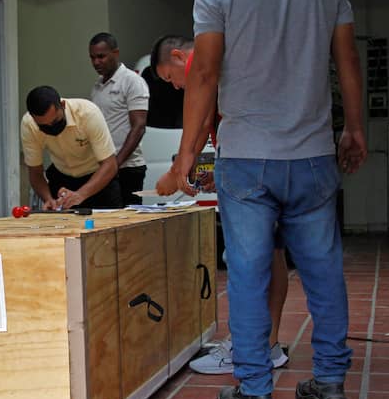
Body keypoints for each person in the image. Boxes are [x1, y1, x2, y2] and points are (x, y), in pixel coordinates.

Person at [164, 0, 366, 399]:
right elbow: (347, 61)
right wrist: (355, 128)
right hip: (314, 155)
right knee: (323, 273)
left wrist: (187, 154)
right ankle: (329, 386)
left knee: (250, 275)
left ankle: (254, 392)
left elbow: (204, 73)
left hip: (248, 159)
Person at [151, 35, 288, 374]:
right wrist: (218, 171)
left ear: (181, 58)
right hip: (268, 159)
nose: (178, 88)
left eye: (171, 78)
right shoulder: (228, 59)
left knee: (247, 259)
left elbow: (199, 124)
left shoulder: (204, 61)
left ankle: (249, 348)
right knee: (272, 253)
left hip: (252, 163)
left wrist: (175, 170)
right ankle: (267, 344)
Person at [21, 85, 121, 209]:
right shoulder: (28, 125)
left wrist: (80, 195)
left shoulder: (88, 113)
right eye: (44, 126)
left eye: (55, 121)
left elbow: (110, 165)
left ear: (62, 105)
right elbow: (35, 172)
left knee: (109, 225)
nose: (51, 127)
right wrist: (48, 199)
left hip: (98, 177)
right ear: (33, 118)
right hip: (61, 177)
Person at [89, 33, 150, 206]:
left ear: (115, 53)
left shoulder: (132, 81)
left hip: (127, 167)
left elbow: (139, 126)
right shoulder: (97, 86)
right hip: (104, 167)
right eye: (92, 57)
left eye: (101, 56)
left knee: (128, 223)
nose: (96, 62)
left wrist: (115, 164)